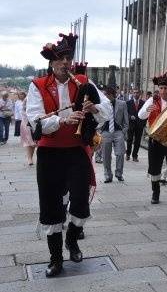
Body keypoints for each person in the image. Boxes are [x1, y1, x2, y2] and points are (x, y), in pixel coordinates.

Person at [26, 33, 111, 277]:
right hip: (50, 153)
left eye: (68, 58)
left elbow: (106, 108)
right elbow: (35, 120)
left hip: (76, 151)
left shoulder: (83, 82)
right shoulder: (38, 86)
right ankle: (55, 258)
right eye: (61, 59)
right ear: (52, 63)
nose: (66, 63)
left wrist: (92, 107)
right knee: (51, 206)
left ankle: (72, 240)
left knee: (81, 203)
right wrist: (64, 120)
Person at [138, 69, 167, 206]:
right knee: (154, 168)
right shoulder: (152, 100)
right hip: (155, 140)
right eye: (161, 88)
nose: (162, 91)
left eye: (165, 88)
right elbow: (140, 116)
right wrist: (146, 110)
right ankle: (155, 193)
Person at [100, 87, 128, 183]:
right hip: (106, 131)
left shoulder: (122, 104)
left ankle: (119, 173)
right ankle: (108, 175)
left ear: (111, 95)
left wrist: (123, 132)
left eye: (106, 95)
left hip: (118, 132)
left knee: (120, 153)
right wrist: (100, 131)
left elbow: (126, 121)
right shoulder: (102, 104)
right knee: (106, 155)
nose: (104, 97)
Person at [126, 89, 146, 162]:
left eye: (137, 93)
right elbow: (125, 113)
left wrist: (143, 124)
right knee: (129, 139)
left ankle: (135, 156)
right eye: (134, 93)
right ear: (132, 93)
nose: (136, 94)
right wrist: (130, 116)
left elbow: (145, 114)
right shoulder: (128, 103)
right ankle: (128, 154)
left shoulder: (143, 103)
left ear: (140, 93)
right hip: (131, 124)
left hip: (139, 125)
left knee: (137, 141)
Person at [20, 96, 36, 166]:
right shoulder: (28, 99)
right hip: (27, 122)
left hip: (33, 123)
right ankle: (29, 159)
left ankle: (30, 158)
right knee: (28, 142)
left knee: (33, 142)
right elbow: (24, 110)